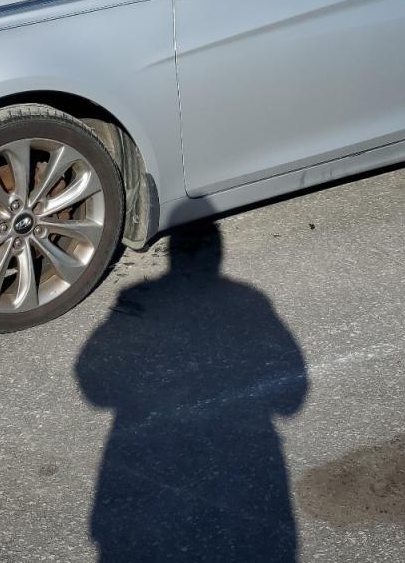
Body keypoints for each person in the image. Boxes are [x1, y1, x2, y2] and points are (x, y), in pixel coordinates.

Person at [75, 220, 307, 562]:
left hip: (142, 482)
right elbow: (291, 398)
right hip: (238, 483)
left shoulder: (136, 298)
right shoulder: (249, 301)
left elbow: (93, 385)